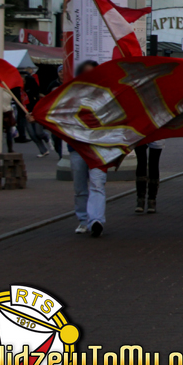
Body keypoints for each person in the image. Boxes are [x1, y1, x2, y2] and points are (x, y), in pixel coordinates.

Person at [67, 60, 107, 238]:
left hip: (99, 149)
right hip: (77, 147)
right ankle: (83, 220)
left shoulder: (106, 95)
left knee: (98, 184)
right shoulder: (70, 96)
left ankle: (96, 220)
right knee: (80, 187)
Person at [134, 141, 164, 214]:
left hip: (156, 133)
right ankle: (141, 200)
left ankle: (151, 200)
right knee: (141, 162)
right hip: (140, 133)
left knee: (153, 164)